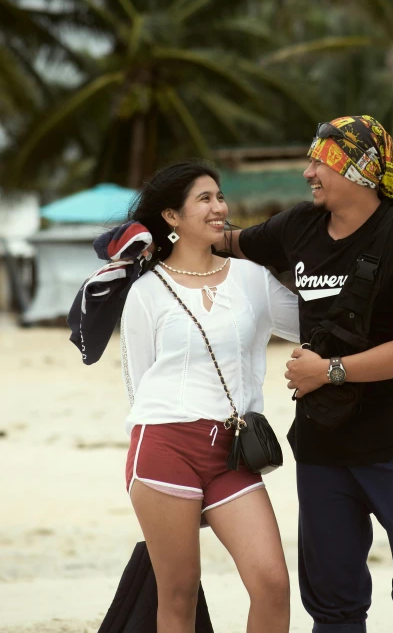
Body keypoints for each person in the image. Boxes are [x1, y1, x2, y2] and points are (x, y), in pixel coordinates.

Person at [223, 116, 393, 633]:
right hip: (324, 447)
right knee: (332, 601)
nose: (308, 172)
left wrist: (330, 371)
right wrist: (160, 230)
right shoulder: (298, 227)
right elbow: (229, 243)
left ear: (357, 171)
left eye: (319, 162)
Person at [74, 160, 300, 633]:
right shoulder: (147, 292)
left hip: (233, 450)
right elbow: (137, 382)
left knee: (272, 583)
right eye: (205, 199)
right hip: (165, 448)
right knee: (177, 595)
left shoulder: (251, 279)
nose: (219, 207)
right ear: (172, 217)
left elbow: (310, 323)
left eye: (220, 197)